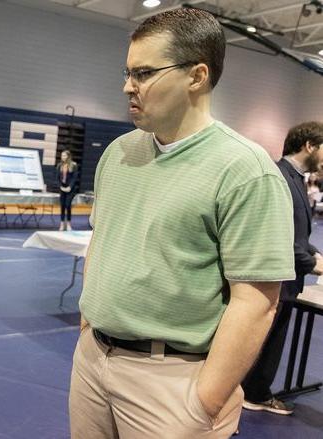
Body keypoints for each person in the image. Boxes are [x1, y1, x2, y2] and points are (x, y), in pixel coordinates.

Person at [69, 9, 294, 438]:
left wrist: (205, 399)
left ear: (197, 76)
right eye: (127, 72)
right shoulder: (118, 153)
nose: (126, 87)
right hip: (94, 361)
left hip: (174, 381)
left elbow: (257, 300)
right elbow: (103, 240)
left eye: (144, 73)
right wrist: (89, 325)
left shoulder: (245, 169)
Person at [241, 121, 323, 415]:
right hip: (275, 277)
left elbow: (298, 234)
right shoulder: (279, 177)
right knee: (260, 342)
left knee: (271, 341)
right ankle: (253, 393)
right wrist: (314, 264)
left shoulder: (295, 177)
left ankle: (255, 391)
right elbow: (277, 237)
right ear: (310, 146)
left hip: (289, 277)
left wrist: (316, 255)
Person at [55, 150, 79, 231]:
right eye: (62, 156)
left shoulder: (73, 165)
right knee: (62, 206)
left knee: (68, 205)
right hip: (62, 188)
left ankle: (68, 224)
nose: (63, 157)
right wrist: (60, 187)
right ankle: (62, 224)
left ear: (68, 156)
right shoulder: (59, 165)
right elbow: (57, 178)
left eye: (64, 156)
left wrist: (70, 187)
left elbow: (74, 177)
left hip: (70, 189)